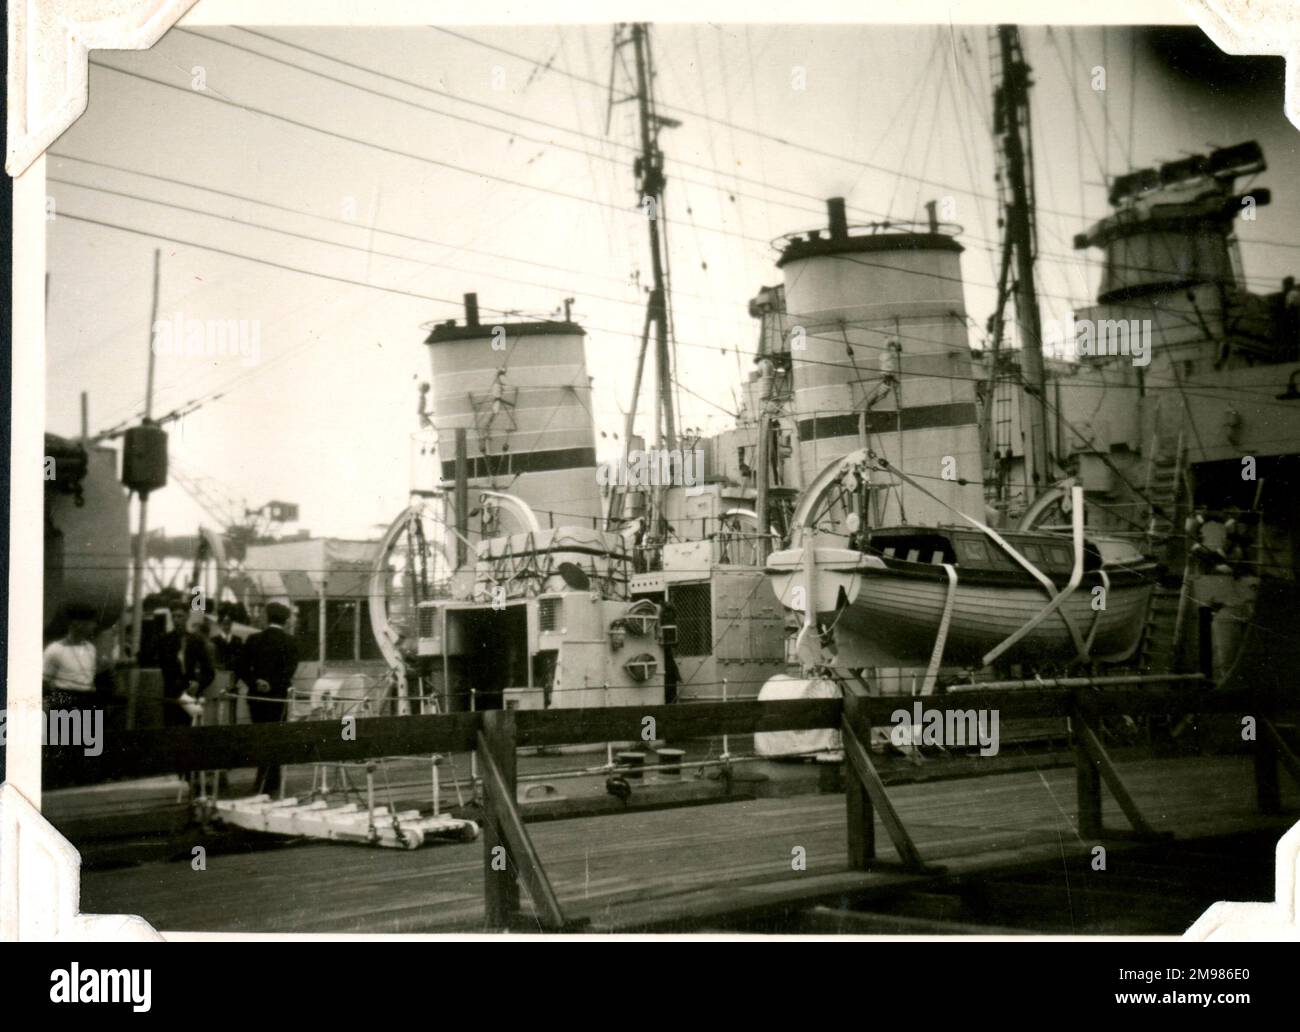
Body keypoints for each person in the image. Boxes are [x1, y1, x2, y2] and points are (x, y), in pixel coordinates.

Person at [238, 602, 300, 797]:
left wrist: (256, 682)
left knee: (260, 736)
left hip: (256, 696)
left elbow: (240, 667)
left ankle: (262, 778)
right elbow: (289, 672)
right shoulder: (291, 642)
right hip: (278, 698)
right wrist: (272, 684)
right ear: (285, 620)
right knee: (276, 736)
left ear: (267, 617)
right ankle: (273, 779)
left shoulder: (253, 639)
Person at [158, 604, 214, 728]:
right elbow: (165, 670)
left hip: (191, 696)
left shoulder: (196, 641)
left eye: (180, 616)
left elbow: (209, 672)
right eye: (174, 616)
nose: (176, 620)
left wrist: (198, 683)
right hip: (172, 697)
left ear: (187, 616)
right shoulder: (164, 641)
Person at [42, 603, 100, 711]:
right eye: (91, 622)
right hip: (65, 704)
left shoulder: (91, 648)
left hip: (88, 701)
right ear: (77, 623)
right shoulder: (55, 649)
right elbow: (45, 682)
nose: (94, 625)